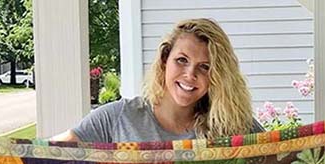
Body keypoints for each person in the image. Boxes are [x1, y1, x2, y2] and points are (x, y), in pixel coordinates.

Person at [55, 18, 263, 143]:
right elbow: (49, 157)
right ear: (165, 60)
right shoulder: (118, 119)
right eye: (182, 60)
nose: (190, 74)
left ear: (218, 76)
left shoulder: (233, 125)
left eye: (205, 67)